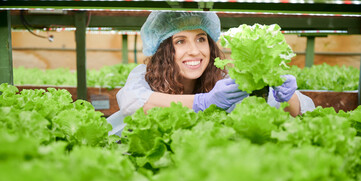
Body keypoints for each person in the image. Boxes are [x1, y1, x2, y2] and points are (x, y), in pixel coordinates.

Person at [107, 11, 315, 136]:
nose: (195, 51)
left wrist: (287, 94)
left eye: (201, 39)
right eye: (180, 41)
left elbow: (296, 111)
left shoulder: (222, 83)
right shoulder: (144, 74)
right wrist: (203, 102)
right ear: (163, 49)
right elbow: (133, 103)